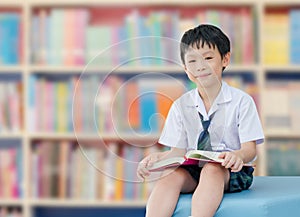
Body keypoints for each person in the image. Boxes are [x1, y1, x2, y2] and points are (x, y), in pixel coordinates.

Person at [136, 24, 264, 217]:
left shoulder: (242, 101)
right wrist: (155, 160)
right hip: (194, 170)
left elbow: (250, 149)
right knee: (169, 177)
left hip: (232, 171)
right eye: (193, 61)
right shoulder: (181, 105)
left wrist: (237, 155)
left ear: (225, 59)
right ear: (186, 69)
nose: (200, 66)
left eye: (208, 58)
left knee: (212, 169)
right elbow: (177, 152)